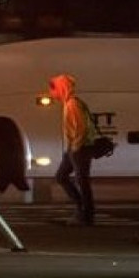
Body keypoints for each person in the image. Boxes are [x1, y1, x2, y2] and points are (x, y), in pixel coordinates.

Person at [49, 73, 96, 226]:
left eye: (54, 89)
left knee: (81, 181)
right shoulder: (70, 103)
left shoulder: (72, 104)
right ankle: (82, 209)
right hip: (75, 148)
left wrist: (75, 147)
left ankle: (86, 215)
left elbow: (80, 128)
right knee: (63, 177)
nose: (52, 93)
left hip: (79, 148)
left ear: (62, 88)